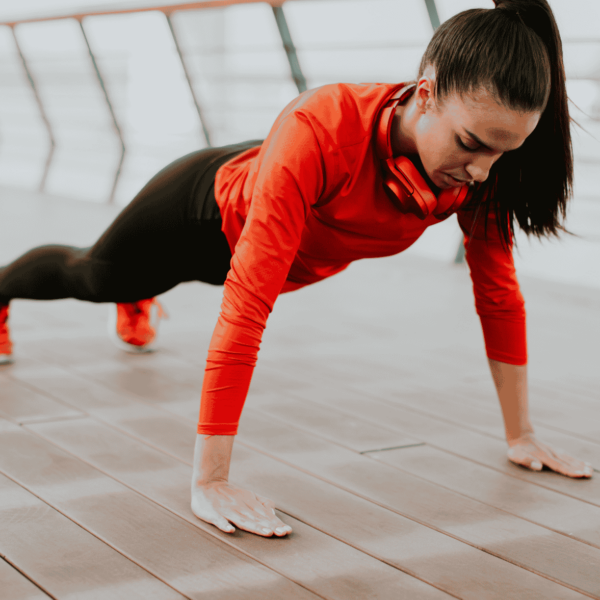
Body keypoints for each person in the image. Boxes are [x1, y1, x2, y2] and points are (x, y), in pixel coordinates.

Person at [0, 0, 593, 539]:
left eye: (502, 152)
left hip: (273, 250)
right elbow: (248, 302)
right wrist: (210, 479)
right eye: (470, 144)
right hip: (199, 212)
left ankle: (141, 293)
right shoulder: (322, 126)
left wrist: (521, 435)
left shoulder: (478, 176)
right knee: (95, 278)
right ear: (428, 91)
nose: (483, 171)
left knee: (142, 281)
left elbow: (498, 296)